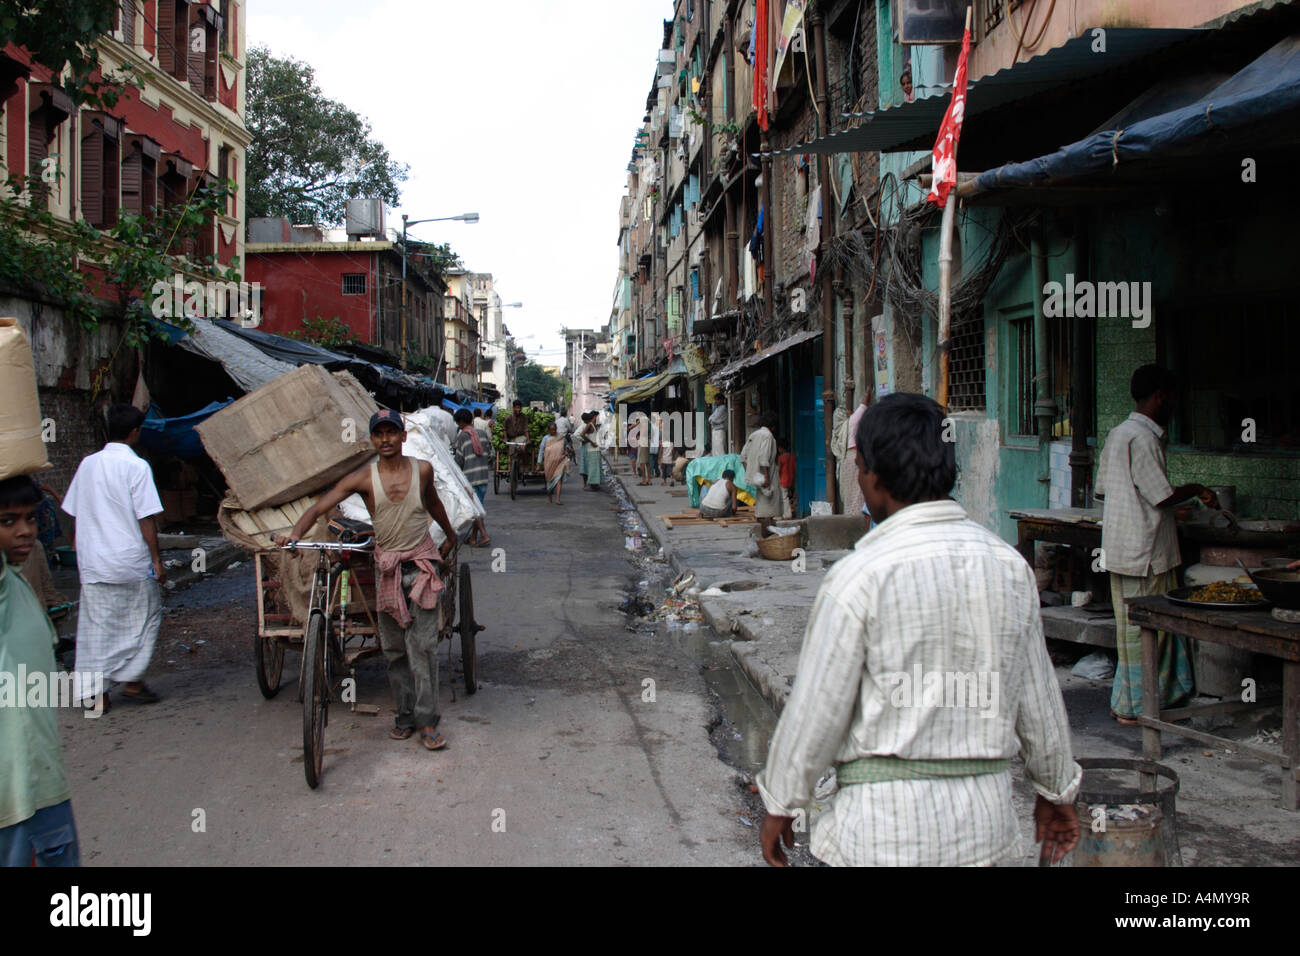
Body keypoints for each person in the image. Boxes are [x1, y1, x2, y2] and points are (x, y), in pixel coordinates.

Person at [758, 393, 1082, 867]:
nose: (859, 478)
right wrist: (1057, 790)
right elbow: (1038, 698)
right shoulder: (1009, 568)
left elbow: (817, 709)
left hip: (881, 837)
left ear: (874, 476)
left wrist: (782, 800)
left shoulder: (858, 576)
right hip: (985, 832)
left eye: (859, 467)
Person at [280, 410, 458, 751]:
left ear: (403, 436)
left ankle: (427, 721)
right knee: (394, 650)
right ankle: (404, 716)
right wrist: (295, 534)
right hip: (387, 570)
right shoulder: (362, 479)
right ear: (373, 439)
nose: (386, 439)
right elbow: (319, 508)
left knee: (422, 648)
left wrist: (450, 536)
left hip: (421, 567)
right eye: (379, 434)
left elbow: (434, 504)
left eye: (392, 432)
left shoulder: (422, 470)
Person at [1095, 365, 1215, 725]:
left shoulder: (1118, 434)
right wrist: (1197, 490)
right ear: (1161, 396)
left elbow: (1104, 490)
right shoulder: (1144, 439)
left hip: (1120, 547)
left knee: (1129, 632)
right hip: (1146, 553)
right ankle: (1139, 707)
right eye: (1173, 397)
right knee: (1152, 631)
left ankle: (1129, 702)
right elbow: (1162, 496)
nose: (1174, 405)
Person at [62, 403, 166, 710]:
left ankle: (99, 693)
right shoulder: (137, 467)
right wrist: (157, 560)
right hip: (129, 562)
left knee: (96, 628)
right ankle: (133, 681)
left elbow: (74, 511)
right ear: (135, 432)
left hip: (94, 562)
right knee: (146, 618)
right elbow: (146, 519)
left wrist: (77, 544)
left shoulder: (87, 464)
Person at [0, 475, 81, 866]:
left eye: (30, 518)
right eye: (8, 521)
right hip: (20, 788)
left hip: (39, 780)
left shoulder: (16, 580)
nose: (25, 531)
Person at [452, 409, 491, 547]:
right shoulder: (482, 434)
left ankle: (484, 535)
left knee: (475, 509)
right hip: (483, 475)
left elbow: (459, 460)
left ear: (462, 422)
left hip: (470, 477)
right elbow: (489, 453)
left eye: (458, 423)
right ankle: (473, 538)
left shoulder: (463, 436)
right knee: (478, 506)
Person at [740, 411, 780, 536]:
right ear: (773, 426)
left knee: (763, 509)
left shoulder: (754, 435)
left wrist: (752, 473)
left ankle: (768, 538)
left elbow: (743, 456)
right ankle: (769, 539)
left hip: (758, 478)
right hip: (767, 477)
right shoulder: (768, 436)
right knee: (768, 512)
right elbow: (764, 458)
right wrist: (766, 477)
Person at [542, 422, 569, 505]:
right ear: (548, 430)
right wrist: (539, 463)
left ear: (556, 429)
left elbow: (567, 445)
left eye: (554, 429)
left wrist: (567, 450)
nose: (553, 431)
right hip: (548, 463)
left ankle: (558, 499)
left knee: (558, 479)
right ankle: (549, 499)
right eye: (551, 430)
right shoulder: (545, 439)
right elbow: (541, 450)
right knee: (549, 480)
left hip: (560, 462)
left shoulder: (561, 437)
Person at [580, 411, 603, 490]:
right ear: (594, 417)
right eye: (597, 417)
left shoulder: (595, 425)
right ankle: (592, 484)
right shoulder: (590, 425)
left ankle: (595, 484)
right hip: (592, 449)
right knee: (593, 468)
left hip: (596, 449)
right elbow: (582, 434)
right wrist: (591, 442)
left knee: (596, 467)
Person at [777, 437, 797, 519]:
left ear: (781, 448)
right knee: (789, 497)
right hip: (791, 479)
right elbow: (795, 468)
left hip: (783, 480)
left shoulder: (780, 458)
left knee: (784, 497)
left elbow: (779, 470)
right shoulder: (792, 457)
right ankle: (788, 512)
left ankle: (787, 514)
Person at [629, 414, 651, 485]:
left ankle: (644, 480)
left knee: (642, 463)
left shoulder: (642, 419)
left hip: (643, 442)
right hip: (646, 441)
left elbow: (633, 427)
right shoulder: (647, 420)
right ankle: (649, 480)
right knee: (647, 462)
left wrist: (631, 428)